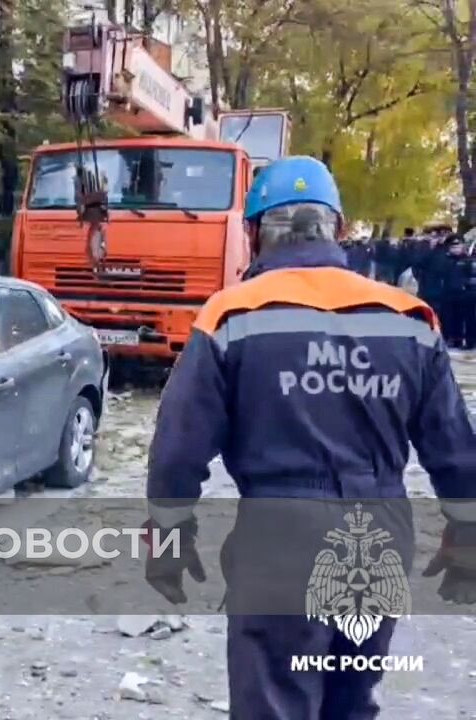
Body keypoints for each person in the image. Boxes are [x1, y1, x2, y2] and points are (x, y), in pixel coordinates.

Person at [144, 156, 476, 719]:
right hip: (380, 534)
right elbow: (456, 451)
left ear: (253, 234)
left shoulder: (231, 314)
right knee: (350, 702)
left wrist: (168, 539)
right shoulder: (408, 317)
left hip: (280, 540)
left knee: (276, 699)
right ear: (339, 229)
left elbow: (179, 449)